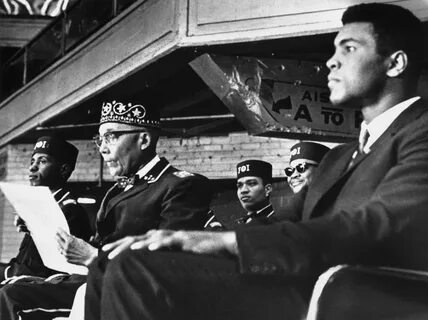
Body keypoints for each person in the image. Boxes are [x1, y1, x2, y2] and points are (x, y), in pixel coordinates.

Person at [85, 3, 428, 320]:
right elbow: (284, 224)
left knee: (135, 271)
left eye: (349, 48)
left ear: (395, 63)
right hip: (305, 284)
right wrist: (192, 238)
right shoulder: (338, 158)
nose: (331, 60)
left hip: (358, 298)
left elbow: (382, 224)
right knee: (109, 263)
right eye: (334, 49)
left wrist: (227, 244)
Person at [0, 97, 212, 320]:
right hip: (92, 282)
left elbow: (168, 261)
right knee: (12, 290)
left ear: (144, 139)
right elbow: (98, 244)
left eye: (110, 137)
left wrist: (93, 257)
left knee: (12, 297)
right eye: (99, 139)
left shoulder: (181, 184)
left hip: (126, 294)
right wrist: (38, 225)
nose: (102, 148)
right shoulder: (116, 192)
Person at [0, 136, 92, 282]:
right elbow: (24, 261)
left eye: (42, 161)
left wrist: (5, 272)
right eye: (32, 161)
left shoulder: (70, 211)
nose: (32, 167)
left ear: (63, 170)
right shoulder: (42, 208)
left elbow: (41, 271)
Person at [205, 160, 274, 229]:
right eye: (240, 185)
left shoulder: (277, 224)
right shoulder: (238, 223)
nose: (243, 190)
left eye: (251, 183)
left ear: (267, 189)